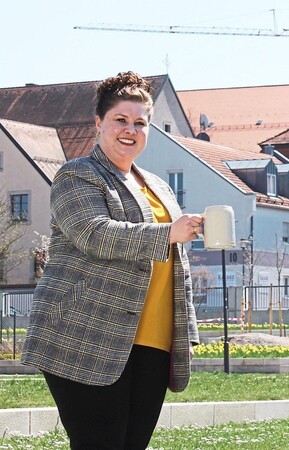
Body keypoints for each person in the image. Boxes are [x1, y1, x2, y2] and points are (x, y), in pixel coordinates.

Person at [21, 71, 203, 450]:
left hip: (153, 343)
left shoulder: (159, 187)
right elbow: (93, 233)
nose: (130, 130)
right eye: (121, 119)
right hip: (85, 337)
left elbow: (173, 268)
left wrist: (186, 332)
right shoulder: (76, 175)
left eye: (141, 123)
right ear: (99, 123)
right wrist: (170, 232)